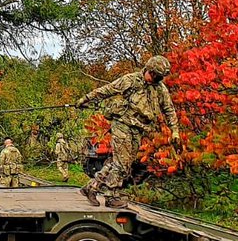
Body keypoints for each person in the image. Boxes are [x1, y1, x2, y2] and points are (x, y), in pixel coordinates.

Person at [74, 55, 179, 208]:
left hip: (139, 128)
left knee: (120, 162)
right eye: (154, 75)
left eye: (159, 77)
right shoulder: (130, 80)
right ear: (148, 69)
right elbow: (107, 90)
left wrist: (174, 131)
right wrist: (85, 99)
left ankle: (92, 187)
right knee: (122, 164)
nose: (155, 79)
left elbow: (169, 110)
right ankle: (111, 196)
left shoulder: (160, 89)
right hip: (122, 124)